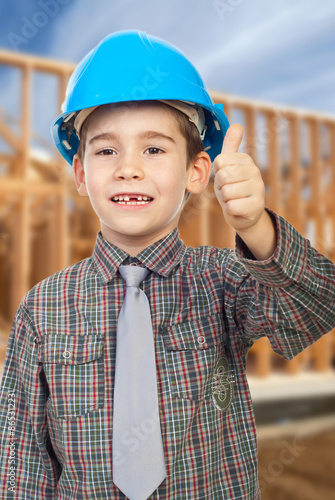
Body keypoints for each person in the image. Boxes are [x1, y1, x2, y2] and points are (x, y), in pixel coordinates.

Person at [0, 30, 334, 500]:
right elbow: (21, 458)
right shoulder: (43, 307)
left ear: (196, 172)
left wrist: (256, 226)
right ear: (80, 173)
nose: (128, 167)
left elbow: (316, 308)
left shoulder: (223, 281)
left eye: (153, 149)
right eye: (105, 150)